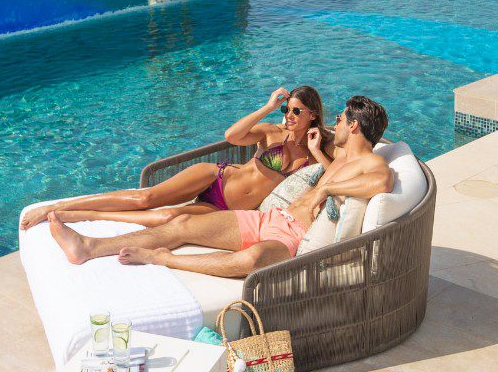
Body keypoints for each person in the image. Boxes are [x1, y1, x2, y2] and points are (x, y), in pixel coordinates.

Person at [47, 96, 393, 277]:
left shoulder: (370, 161)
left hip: (291, 237)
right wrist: (318, 156)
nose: (335, 122)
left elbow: (381, 181)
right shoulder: (339, 153)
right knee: (179, 223)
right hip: (268, 217)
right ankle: (90, 246)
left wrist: (327, 190)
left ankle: (163, 259)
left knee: (253, 259)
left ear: (356, 126)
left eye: (341, 119)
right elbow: (235, 136)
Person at [20, 86, 327, 230]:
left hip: (226, 209)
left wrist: (314, 151)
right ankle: (58, 206)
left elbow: (334, 172)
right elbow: (232, 136)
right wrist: (268, 106)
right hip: (217, 177)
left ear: (313, 115)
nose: (289, 115)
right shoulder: (271, 131)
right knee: (147, 197)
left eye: (296, 111)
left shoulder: (314, 155)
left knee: (170, 217)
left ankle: (89, 216)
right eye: (287, 109)